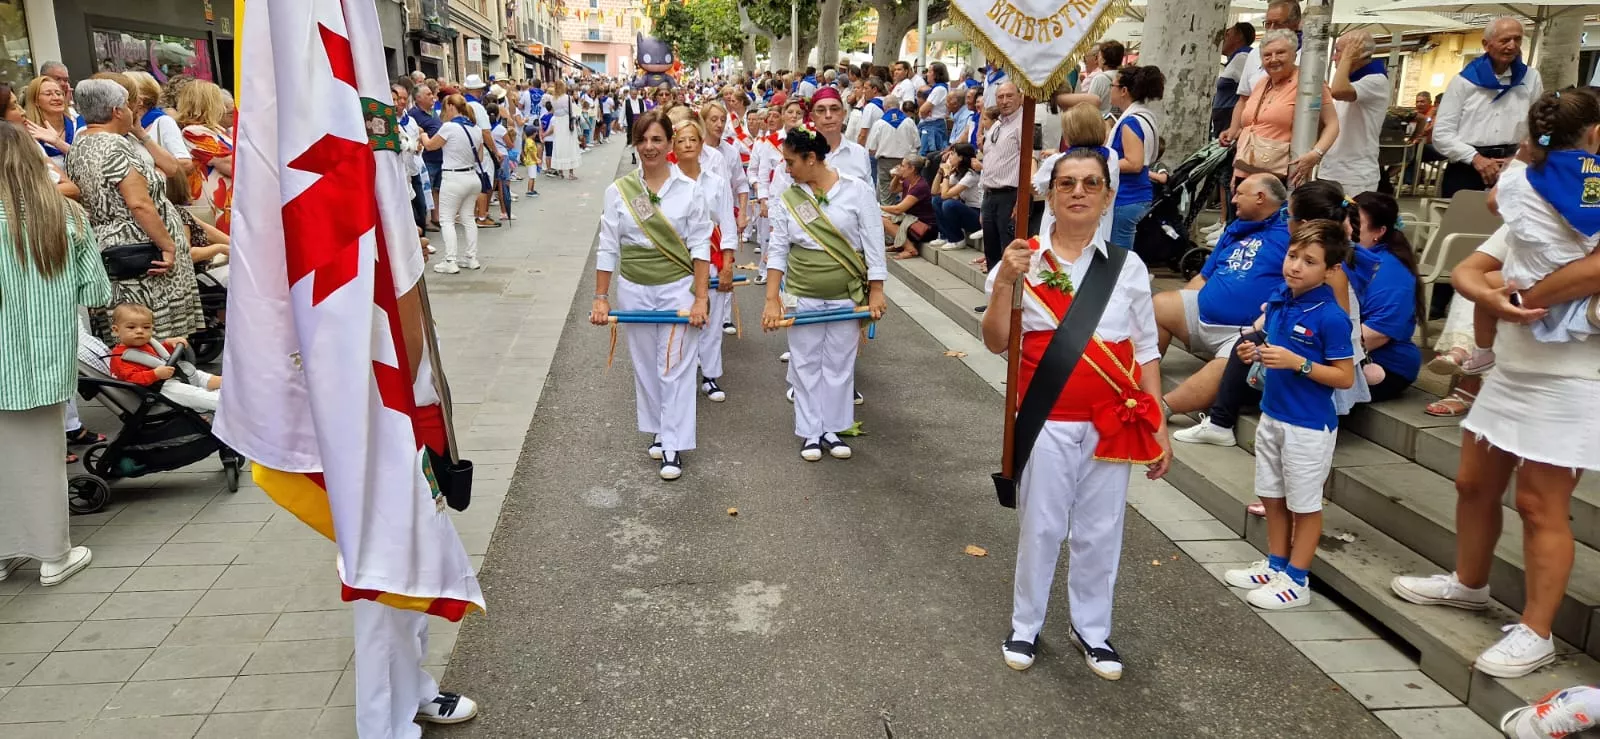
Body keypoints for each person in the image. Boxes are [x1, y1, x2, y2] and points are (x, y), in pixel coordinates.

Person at [1388, 212, 1600, 678]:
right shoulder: (1537, 204)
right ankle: (1469, 583)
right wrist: (1489, 291)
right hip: (1509, 368)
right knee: (1472, 484)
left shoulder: (1587, 203)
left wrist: (1510, 289)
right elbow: (1469, 269)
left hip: (1575, 377)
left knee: (1539, 505)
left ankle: (1537, 632)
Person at [982, 148, 1168, 677]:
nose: (1079, 192)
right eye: (1067, 183)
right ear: (1050, 194)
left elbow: (1146, 350)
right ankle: (1025, 624)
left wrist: (1158, 424)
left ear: (1108, 196)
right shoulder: (1023, 259)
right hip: (1048, 419)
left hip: (1114, 421)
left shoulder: (1128, 266)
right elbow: (995, 341)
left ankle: (1092, 630)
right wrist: (1004, 283)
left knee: (1100, 529)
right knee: (1042, 527)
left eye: (1091, 183)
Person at [1222, 220, 1356, 609]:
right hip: (1273, 415)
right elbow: (1272, 346)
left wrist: (1299, 363)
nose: (1295, 266)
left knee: (1304, 505)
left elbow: (1345, 377)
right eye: (1293, 255)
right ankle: (1276, 564)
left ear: (1331, 270)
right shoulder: (1281, 298)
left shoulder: (1331, 317)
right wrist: (1254, 351)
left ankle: (1297, 580)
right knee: (1272, 495)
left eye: (1309, 261)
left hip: (1308, 426)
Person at [0, 121, 108, 588]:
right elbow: (97, 291)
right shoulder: (66, 215)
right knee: (43, 457)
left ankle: (4, 551)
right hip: (46, 358)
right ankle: (52, 554)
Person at [589, 110, 712, 481]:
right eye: (642, 140)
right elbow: (608, 245)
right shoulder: (619, 191)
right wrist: (600, 296)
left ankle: (673, 444)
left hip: (678, 289)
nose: (649, 147)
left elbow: (701, 246)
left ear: (670, 143)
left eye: (657, 139)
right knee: (645, 366)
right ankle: (660, 427)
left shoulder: (690, 190)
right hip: (634, 288)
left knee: (674, 366)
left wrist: (701, 298)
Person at [760, 124, 888, 461]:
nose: (787, 169)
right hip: (801, 292)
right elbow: (778, 249)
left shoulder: (857, 190)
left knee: (840, 363)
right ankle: (810, 431)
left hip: (846, 292)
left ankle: (833, 428)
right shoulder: (789, 197)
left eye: (791, 162)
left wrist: (877, 290)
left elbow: (874, 242)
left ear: (811, 158)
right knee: (805, 362)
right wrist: (772, 299)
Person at [1458, 90, 1600, 370]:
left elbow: (1494, 202)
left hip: (1529, 276)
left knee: (1488, 288)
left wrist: (1520, 162)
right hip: (1575, 283)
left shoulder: (1522, 179)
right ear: (1596, 134)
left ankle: (1481, 353)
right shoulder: (1592, 177)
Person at [67, 78, 202, 343]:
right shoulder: (114, 145)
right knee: (153, 332)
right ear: (117, 111)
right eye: (128, 106)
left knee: (126, 327)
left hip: (111, 246)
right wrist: (168, 245)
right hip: (141, 248)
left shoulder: (80, 144)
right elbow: (139, 202)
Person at [1158, 174, 1290, 417]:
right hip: (1205, 318)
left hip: (1245, 332)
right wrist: (1186, 308)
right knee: (1160, 305)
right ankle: (1134, 380)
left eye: (1240, 194)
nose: (1234, 199)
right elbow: (1204, 277)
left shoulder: (1290, 232)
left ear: (1260, 197)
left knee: (1231, 360)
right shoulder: (1236, 228)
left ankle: (1160, 410)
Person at [669, 111, 738, 402]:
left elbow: (728, 223)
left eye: (692, 140)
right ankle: (679, 375)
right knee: (682, 319)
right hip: (677, 259)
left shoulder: (716, 182)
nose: (687, 145)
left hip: (712, 255)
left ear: (701, 144)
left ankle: (710, 375)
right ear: (673, 147)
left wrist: (728, 265)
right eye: (681, 140)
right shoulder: (666, 182)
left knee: (711, 320)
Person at [1433, 17, 1543, 196]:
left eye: (1517, 39)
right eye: (1505, 40)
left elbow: (1538, 128)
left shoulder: (1531, 78)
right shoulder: (1463, 81)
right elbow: (1442, 134)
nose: (1512, 46)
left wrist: (1519, 158)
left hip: (1513, 166)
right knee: (1463, 214)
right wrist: (1475, 158)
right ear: (1486, 44)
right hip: (1467, 167)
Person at [1221, 29, 1338, 188]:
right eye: (1267, 55)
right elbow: (1254, 125)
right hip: (1245, 170)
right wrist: (1233, 132)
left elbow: (1332, 124)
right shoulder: (1262, 83)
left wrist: (1316, 154)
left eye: (1281, 53)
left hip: (1279, 177)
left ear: (1294, 55)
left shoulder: (1309, 83)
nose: (1273, 59)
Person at [1347, 192, 1422, 401]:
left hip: (1382, 363)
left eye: (1356, 223)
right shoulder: (1348, 255)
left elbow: (1376, 334)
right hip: (1341, 349)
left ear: (1379, 232)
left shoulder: (1391, 271)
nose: (1345, 227)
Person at [418, 93, 498, 274]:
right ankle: (471, 258)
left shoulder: (449, 127)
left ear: (451, 107)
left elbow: (430, 145)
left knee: (447, 220)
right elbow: (480, 157)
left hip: (453, 178)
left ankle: (450, 260)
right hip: (472, 177)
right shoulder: (475, 129)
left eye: (445, 107)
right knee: (468, 218)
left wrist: (423, 135)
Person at [108, 303, 222, 412]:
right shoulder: (120, 357)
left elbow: (157, 357)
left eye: (146, 327)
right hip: (155, 389)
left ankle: (224, 384)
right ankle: (218, 401)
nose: (139, 331)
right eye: (131, 327)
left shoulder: (146, 344)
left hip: (167, 377)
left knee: (197, 374)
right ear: (116, 330)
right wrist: (154, 374)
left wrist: (169, 344)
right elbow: (130, 379)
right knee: (188, 392)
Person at [1323, 30, 1389, 196]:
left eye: (1338, 51)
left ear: (1356, 54)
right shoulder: (1351, 78)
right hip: (1331, 170)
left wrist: (1347, 57)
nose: (1334, 57)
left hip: (1355, 175)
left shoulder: (1376, 79)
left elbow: (1338, 91)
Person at [1105, 65, 1164, 250]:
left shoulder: (1131, 121)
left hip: (1127, 196)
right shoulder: (1144, 117)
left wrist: (1101, 163)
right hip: (1134, 195)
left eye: (1112, 86)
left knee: (1118, 256)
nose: (1110, 90)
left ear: (1123, 91)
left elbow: (1134, 163)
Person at [977, 82, 1026, 279]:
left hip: (1009, 195)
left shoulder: (1024, 123)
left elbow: (1030, 162)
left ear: (1020, 97)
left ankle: (1010, 295)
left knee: (1008, 249)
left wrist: (1020, 200)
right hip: (990, 194)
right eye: (1000, 97)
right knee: (991, 250)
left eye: (1009, 96)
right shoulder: (997, 125)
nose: (1004, 101)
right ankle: (993, 292)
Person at [177, 80, 236, 231]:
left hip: (228, 202)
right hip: (216, 205)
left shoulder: (217, 130)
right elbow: (231, 165)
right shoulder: (194, 132)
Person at [125, 70, 192, 177]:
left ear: (141, 98)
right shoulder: (123, 124)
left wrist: (152, 171)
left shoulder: (162, 121)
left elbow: (186, 164)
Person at [927, 141, 984, 250]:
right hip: (967, 210)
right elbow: (934, 191)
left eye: (953, 154)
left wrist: (947, 174)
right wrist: (940, 171)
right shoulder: (958, 173)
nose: (949, 157)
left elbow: (945, 195)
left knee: (949, 204)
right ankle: (945, 236)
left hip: (978, 216)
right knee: (936, 200)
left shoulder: (971, 175)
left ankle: (957, 240)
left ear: (961, 158)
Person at [882, 154, 936, 259]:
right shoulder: (908, 181)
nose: (900, 167)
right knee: (885, 216)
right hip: (912, 221)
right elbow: (893, 189)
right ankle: (901, 244)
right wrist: (897, 176)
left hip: (925, 228)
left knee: (884, 219)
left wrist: (878, 207)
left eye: (903, 166)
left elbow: (898, 209)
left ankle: (910, 249)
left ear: (912, 169)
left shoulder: (920, 186)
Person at [867, 97, 916, 206]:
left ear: (885, 107)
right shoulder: (909, 122)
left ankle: (888, 213)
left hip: (885, 163)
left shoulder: (879, 123)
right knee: (906, 191)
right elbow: (917, 144)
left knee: (886, 194)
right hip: (906, 163)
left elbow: (872, 148)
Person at [22, 75, 78, 170]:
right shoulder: (28, 134)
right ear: (35, 101)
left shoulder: (79, 124)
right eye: (48, 94)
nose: (56, 98)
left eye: (59, 93)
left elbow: (91, 160)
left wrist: (58, 143)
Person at [1215, 22, 1256, 139]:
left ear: (1239, 37)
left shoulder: (1242, 57)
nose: (1223, 38)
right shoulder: (1236, 58)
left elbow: (1251, 90)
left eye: (1227, 34)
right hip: (1224, 120)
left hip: (1229, 121)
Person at [546, 79, 581, 179]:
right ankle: (571, 173)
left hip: (558, 122)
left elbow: (554, 111)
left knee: (559, 145)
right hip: (566, 122)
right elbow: (571, 111)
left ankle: (561, 171)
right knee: (570, 145)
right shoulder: (567, 98)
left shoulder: (552, 98)